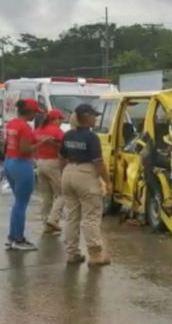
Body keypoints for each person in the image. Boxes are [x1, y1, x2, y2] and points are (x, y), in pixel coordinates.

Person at [60, 104, 113, 266]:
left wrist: (64, 174)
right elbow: (98, 162)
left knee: (72, 216)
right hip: (86, 174)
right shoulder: (91, 137)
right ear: (86, 117)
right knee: (91, 216)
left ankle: (72, 253)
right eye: (94, 116)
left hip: (68, 172)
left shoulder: (68, 135)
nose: (96, 119)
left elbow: (61, 157)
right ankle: (95, 255)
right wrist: (107, 181)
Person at [4, 99, 51, 251]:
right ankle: (19, 239)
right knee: (22, 203)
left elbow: (10, 143)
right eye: (35, 112)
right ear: (29, 112)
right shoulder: (25, 127)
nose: (35, 115)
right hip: (21, 164)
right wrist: (41, 143)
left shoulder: (12, 123)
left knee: (17, 202)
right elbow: (25, 150)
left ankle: (12, 237)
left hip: (9, 161)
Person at [34, 109, 66, 234]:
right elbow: (63, 148)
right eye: (60, 119)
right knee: (61, 194)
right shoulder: (57, 132)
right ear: (55, 119)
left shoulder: (38, 130)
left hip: (40, 163)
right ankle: (53, 219)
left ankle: (46, 223)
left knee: (46, 195)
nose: (61, 122)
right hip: (53, 163)